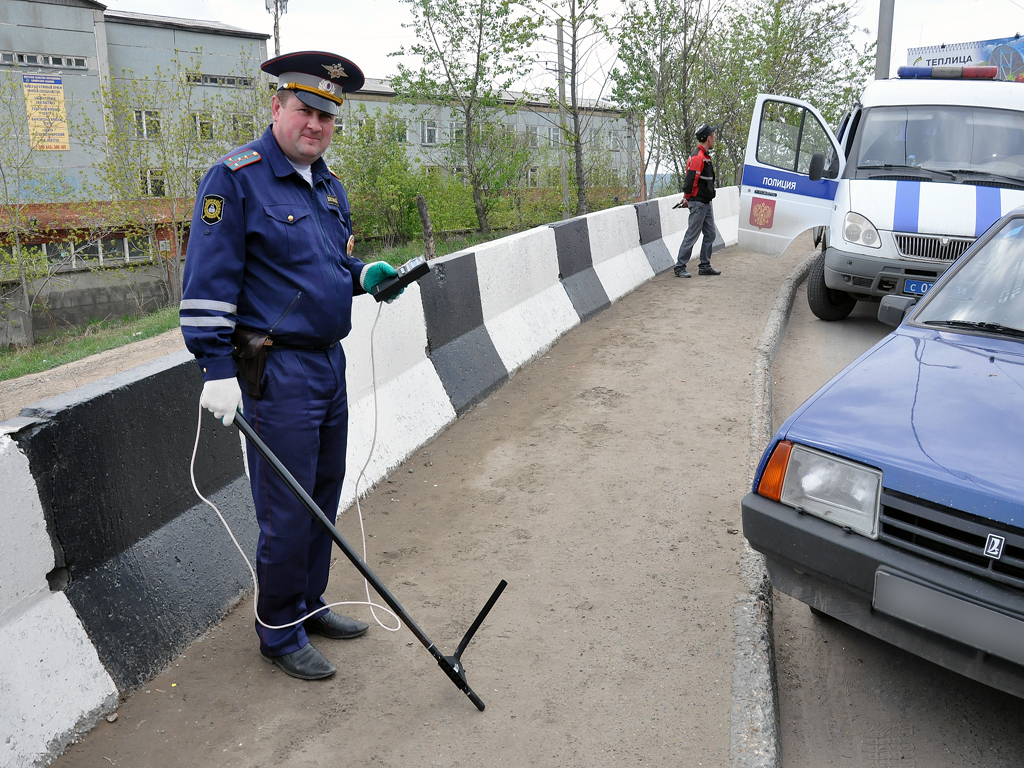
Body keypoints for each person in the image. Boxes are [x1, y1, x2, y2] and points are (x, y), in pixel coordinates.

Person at [180, 51, 404, 681]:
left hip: (328, 365)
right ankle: (278, 631)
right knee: (287, 506)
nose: (316, 124)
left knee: (324, 496)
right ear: (276, 107)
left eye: (327, 116)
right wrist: (214, 368)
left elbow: (327, 267)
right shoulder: (235, 179)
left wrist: (366, 277)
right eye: (304, 109)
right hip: (277, 373)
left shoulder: (328, 186)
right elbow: (207, 282)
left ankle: (307, 605)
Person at [674, 124, 722, 278]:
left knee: (710, 233)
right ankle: (680, 266)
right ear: (709, 138)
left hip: (705, 202)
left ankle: (705, 265)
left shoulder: (704, 156)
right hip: (698, 203)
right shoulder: (698, 157)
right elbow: (690, 181)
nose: (715, 139)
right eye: (713, 136)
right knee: (692, 235)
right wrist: (687, 198)